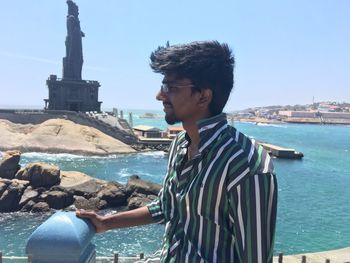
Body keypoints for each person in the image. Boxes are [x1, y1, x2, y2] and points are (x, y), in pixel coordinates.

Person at [76, 41, 278, 263]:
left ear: (203, 96)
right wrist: (106, 223)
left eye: (170, 88)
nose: (159, 96)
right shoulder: (181, 144)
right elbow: (166, 207)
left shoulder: (246, 164)